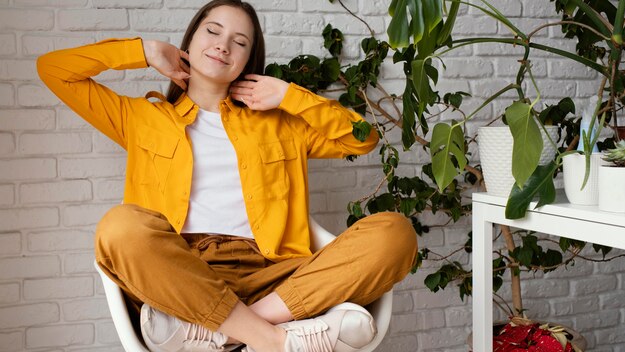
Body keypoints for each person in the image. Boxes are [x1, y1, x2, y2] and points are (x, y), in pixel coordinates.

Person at [37, 1, 418, 351]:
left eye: (239, 42)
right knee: (119, 227)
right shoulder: (143, 118)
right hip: (182, 273)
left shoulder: (280, 123)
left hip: (274, 276)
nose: (223, 46)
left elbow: (362, 139)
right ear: (191, 38)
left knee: (395, 234)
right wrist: (142, 50)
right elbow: (53, 70)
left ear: (249, 59)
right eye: (213, 31)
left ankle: (225, 331)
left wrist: (290, 96)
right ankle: (279, 340)